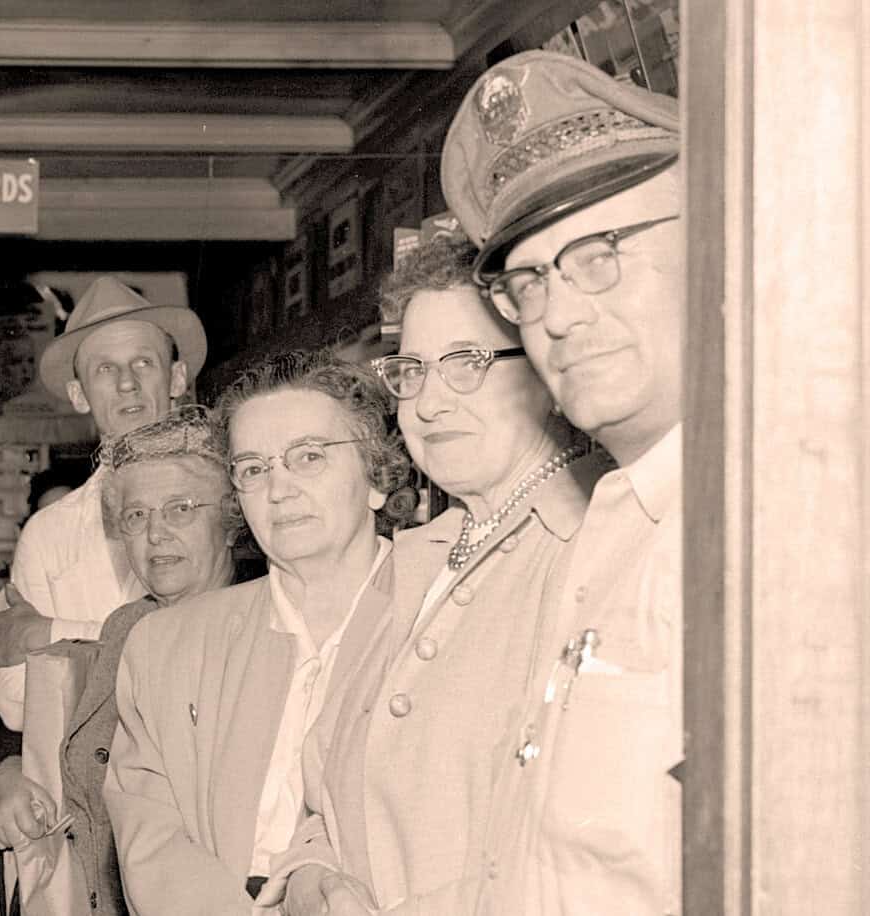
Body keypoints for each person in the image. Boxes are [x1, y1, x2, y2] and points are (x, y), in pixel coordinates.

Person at [260, 238, 610, 913]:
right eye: (410, 371)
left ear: (543, 369)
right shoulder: (419, 556)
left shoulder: (591, 544)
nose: (426, 404)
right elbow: (324, 790)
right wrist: (308, 880)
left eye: (464, 364)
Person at [439, 49, 687, 914]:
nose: (558, 315)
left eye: (597, 255)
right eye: (528, 280)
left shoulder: (766, 531)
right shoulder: (613, 521)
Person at [105, 349, 407, 915]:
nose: (279, 489)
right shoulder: (164, 646)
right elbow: (151, 839)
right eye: (253, 468)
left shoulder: (433, 620)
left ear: (376, 476)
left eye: (308, 457)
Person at [0, 406, 239, 916]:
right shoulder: (123, 630)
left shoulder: (258, 631)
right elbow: (74, 766)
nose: (155, 533)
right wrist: (7, 777)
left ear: (231, 519)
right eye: (137, 516)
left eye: (181, 508)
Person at [0, 275, 208, 731]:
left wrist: (52, 634)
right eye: (104, 369)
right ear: (78, 394)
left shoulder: (226, 504)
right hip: (87, 794)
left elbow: (211, 661)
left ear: (178, 378)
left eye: (144, 362)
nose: (127, 383)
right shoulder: (49, 533)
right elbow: (15, 705)